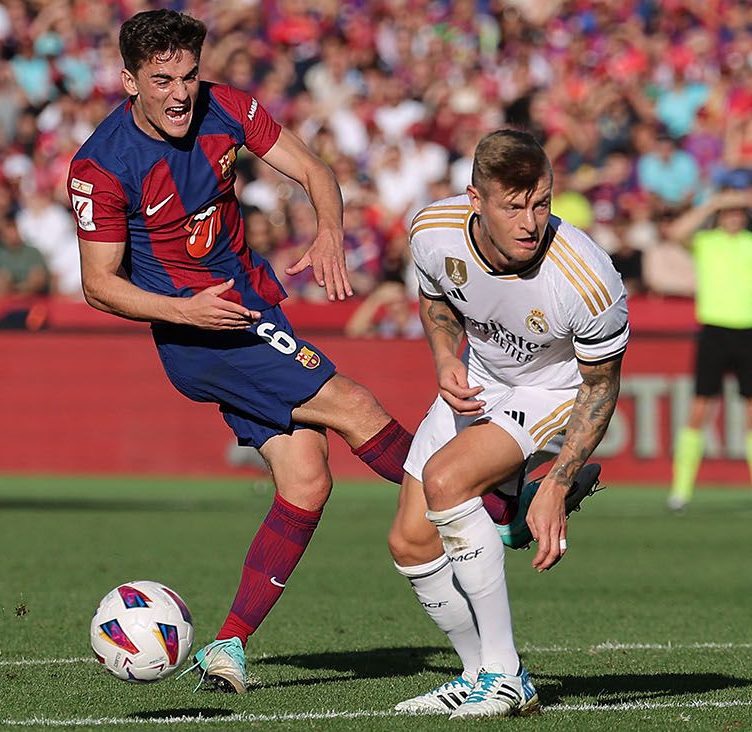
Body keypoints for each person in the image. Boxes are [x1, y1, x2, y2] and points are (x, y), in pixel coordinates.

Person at [69, 9, 415, 693]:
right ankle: (503, 505)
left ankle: (226, 645)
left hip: (249, 307)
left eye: (188, 76)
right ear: (129, 81)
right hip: (205, 331)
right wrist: (184, 310)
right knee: (354, 405)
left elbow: (314, 170)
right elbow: (98, 286)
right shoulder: (102, 164)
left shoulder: (227, 109)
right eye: (161, 79)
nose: (178, 93)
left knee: (307, 481)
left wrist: (330, 233)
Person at [387, 130, 628, 718]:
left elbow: (600, 387)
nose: (531, 220)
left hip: (553, 390)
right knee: (412, 542)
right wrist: (446, 358)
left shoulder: (587, 279)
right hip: (481, 379)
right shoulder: (432, 231)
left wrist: (559, 481)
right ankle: (476, 675)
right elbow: (438, 299)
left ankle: (507, 675)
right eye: (513, 205)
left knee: (447, 481)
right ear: (476, 200)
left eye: (542, 202)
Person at [667, 189, 752, 512]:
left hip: (748, 332)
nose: (734, 217)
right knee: (700, 409)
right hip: (715, 331)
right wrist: (713, 202)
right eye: (728, 212)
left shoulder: (749, 242)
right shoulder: (708, 242)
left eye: (738, 212)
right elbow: (676, 233)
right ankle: (681, 491)